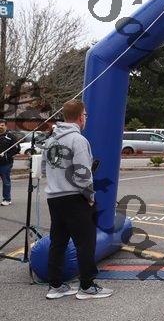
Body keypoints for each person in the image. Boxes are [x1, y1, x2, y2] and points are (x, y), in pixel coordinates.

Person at [42, 100, 113, 300]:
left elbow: (44, 169)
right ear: (81, 117)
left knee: (58, 242)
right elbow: (83, 174)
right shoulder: (78, 140)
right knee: (85, 242)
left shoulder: (50, 141)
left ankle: (55, 285)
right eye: (85, 115)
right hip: (75, 197)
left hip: (54, 197)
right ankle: (87, 286)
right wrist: (89, 196)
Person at [0, 119, 20, 206]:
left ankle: (7, 199)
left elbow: (17, 148)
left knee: (6, 181)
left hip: (6, 163)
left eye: (2, 125)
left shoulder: (10, 136)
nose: (0, 127)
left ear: (5, 126)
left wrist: (6, 155)